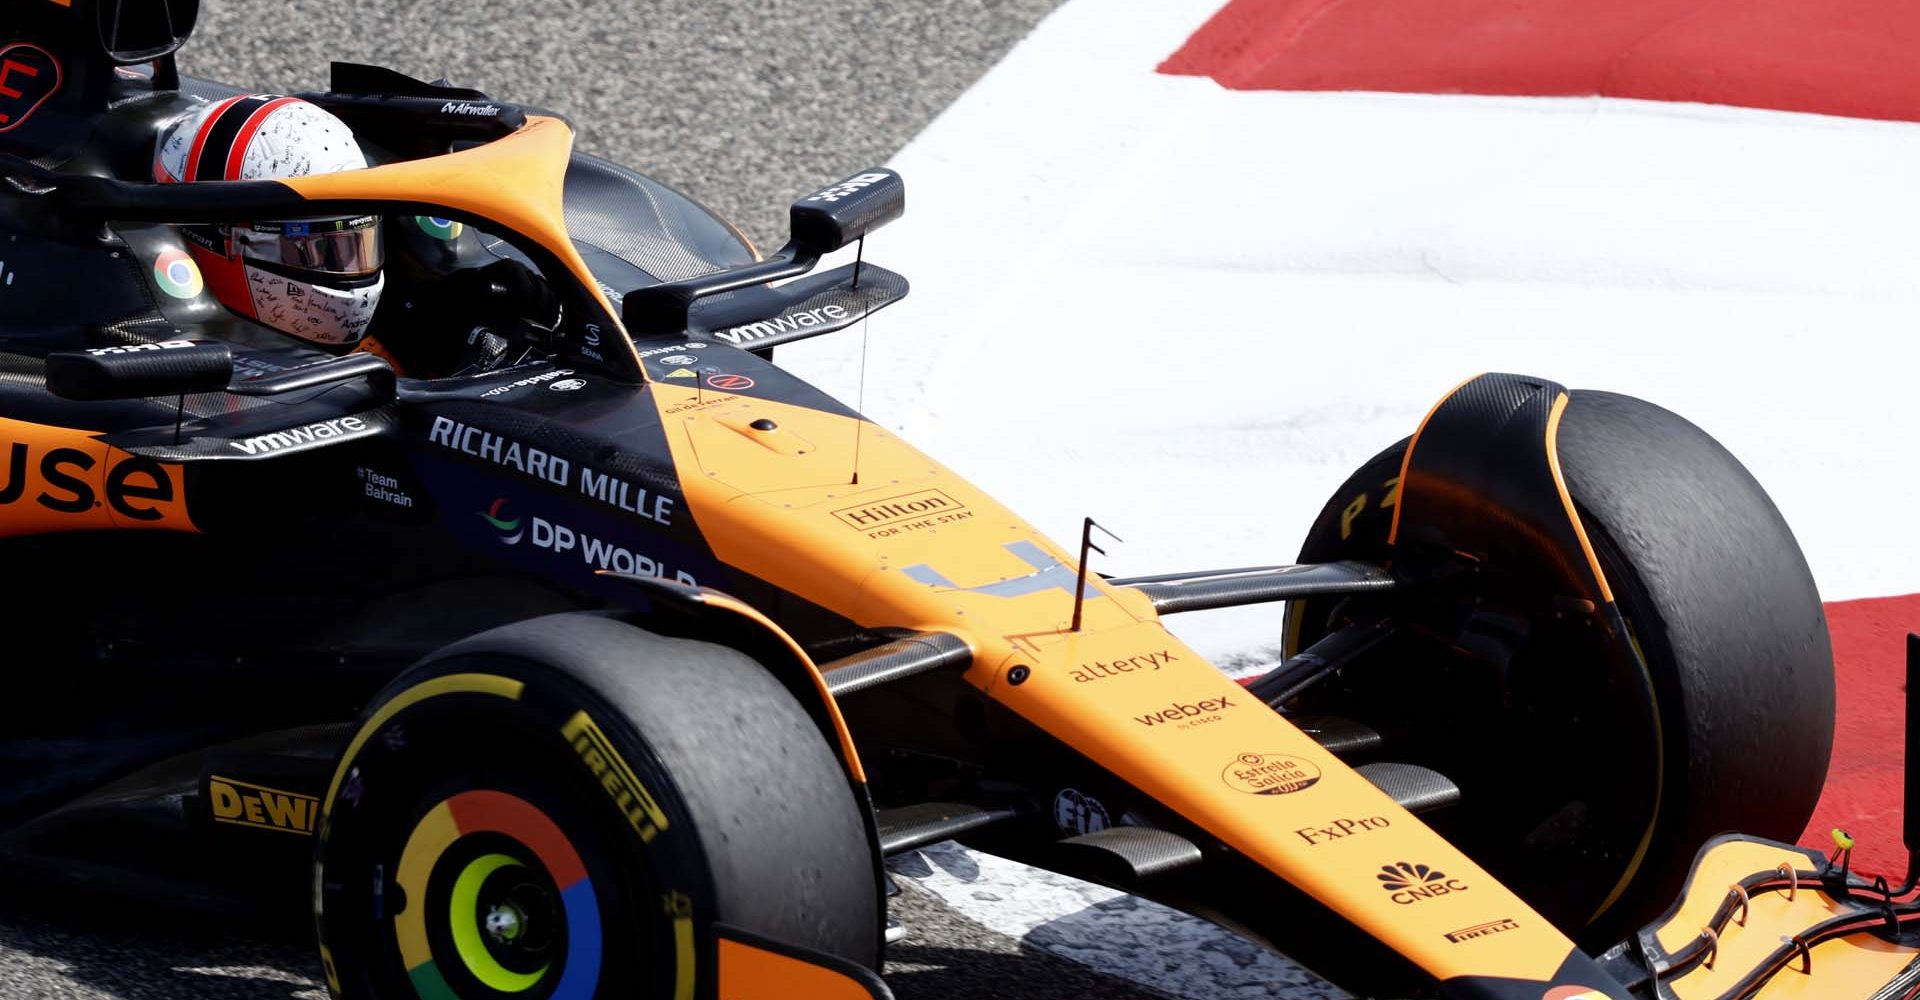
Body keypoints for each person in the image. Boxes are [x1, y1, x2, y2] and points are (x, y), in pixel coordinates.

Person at [152, 94, 556, 375]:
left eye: (357, 244)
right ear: (220, 243)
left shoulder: (397, 337)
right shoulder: (182, 381)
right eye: (319, 251)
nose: (350, 270)